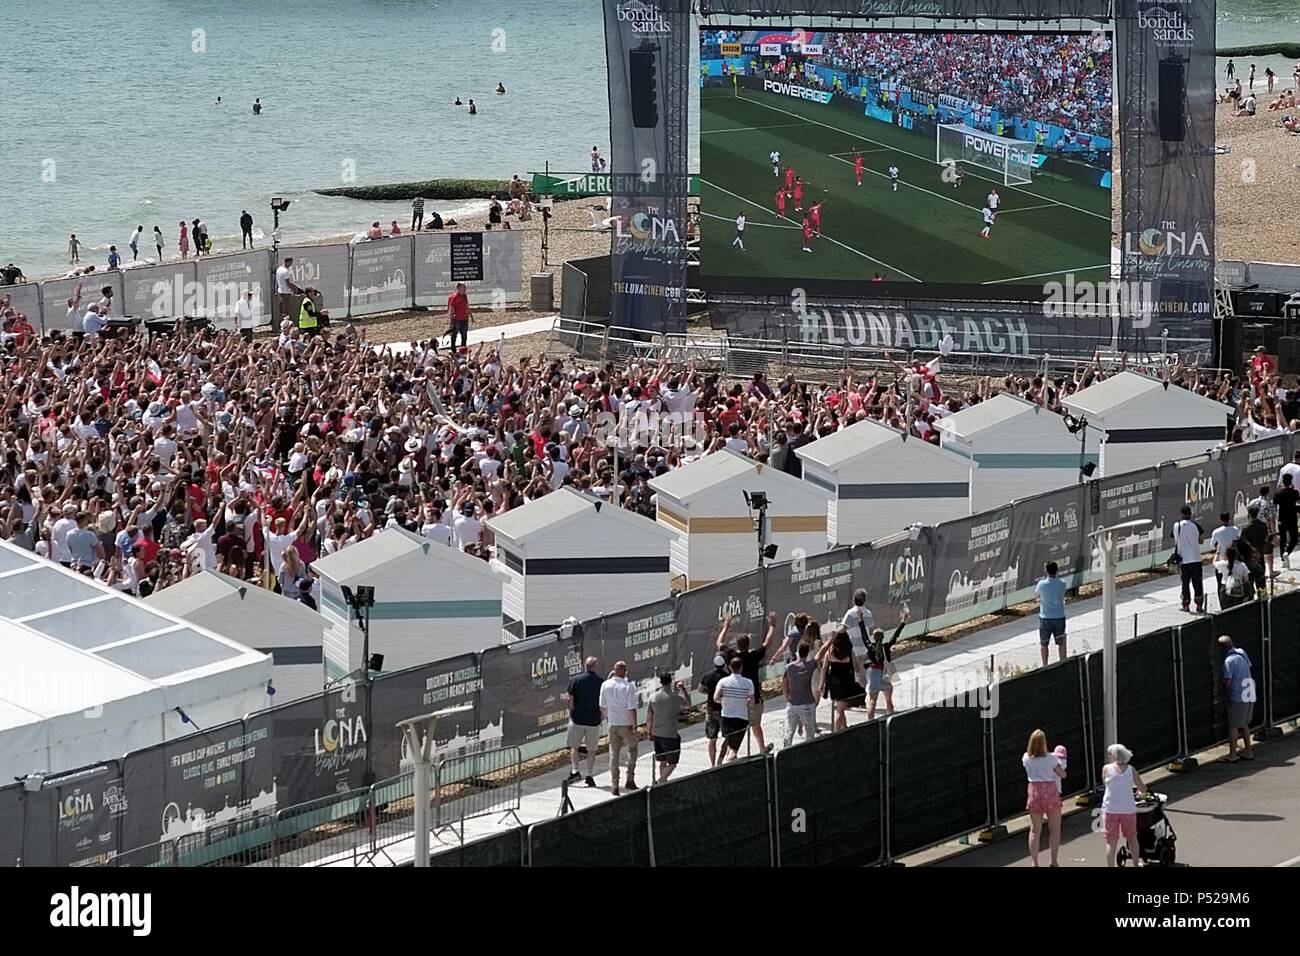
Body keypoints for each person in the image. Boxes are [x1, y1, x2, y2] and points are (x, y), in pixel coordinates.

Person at [717, 610, 776, 753]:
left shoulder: (731, 655)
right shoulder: (754, 656)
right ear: (748, 645)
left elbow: (719, 643)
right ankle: (761, 748)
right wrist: (773, 625)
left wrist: (725, 627)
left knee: (734, 729)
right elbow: (767, 643)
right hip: (753, 697)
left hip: (736, 699)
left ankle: (729, 751)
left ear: (736, 645)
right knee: (756, 725)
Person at [1022, 728, 1065, 867]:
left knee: (1035, 830)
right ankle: (1053, 861)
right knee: (1054, 829)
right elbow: (1062, 774)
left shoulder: (1026, 758)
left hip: (1034, 792)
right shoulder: (1051, 758)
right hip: (1050, 792)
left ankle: (1034, 862)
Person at [1100, 743, 1146, 867]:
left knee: (1111, 841)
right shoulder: (1131, 770)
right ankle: (1136, 864)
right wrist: (1139, 791)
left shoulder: (1106, 769)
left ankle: (1111, 865)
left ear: (1113, 755)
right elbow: (1142, 787)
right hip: (1128, 809)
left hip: (1110, 808)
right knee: (1132, 838)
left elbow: (1105, 783)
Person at [564, 656, 603, 787]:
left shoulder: (575, 680)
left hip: (577, 720)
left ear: (585, 666)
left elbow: (570, 699)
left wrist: (571, 714)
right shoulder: (600, 682)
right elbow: (603, 703)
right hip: (594, 721)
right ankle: (590, 775)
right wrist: (601, 717)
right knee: (591, 749)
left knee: (574, 746)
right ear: (595, 666)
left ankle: (575, 771)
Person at [864, 606, 908, 719]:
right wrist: (903, 622)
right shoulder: (886, 647)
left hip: (874, 675)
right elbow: (895, 636)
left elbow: (864, 636)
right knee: (888, 701)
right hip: (884, 675)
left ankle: (870, 723)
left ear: (873, 638)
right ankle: (890, 719)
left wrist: (860, 621)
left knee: (872, 702)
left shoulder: (870, 647)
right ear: (883, 638)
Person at [817, 627, 864, 732]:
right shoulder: (849, 652)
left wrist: (821, 684)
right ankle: (836, 731)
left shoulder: (830, 652)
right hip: (846, 683)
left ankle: (844, 727)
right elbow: (857, 669)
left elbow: (824, 669)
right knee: (840, 710)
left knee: (840, 707)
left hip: (833, 683)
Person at [647, 672, 689, 782]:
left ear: (660, 682)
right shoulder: (675, 697)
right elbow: (688, 704)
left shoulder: (653, 698)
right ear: (671, 682)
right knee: (673, 763)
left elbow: (649, 717)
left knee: (662, 761)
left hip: (656, 733)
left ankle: (663, 782)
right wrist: (683, 689)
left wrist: (649, 732)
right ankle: (661, 780)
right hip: (670, 734)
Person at [713, 655, 754, 764]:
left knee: (729, 740)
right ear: (741, 667)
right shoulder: (748, 683)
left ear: (730, 667)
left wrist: (726, 701)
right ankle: (729, 764)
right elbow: (753, 702)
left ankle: (721, 760)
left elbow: (716, 698)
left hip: (726, 718)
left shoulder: (723, 682)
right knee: (733, 750)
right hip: (741, 718)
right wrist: (743, 701)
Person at [1220, 635, 1255, 762]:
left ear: (1221, 648)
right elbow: (1248, 667)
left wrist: (1222, 684)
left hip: (1238, 695)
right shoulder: (1242, 652)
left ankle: (1233, 755)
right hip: (1249, 692)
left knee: (1233, 725)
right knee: (1244, 724)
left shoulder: (1228, 661)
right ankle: (1248, 751)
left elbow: (1228, 682)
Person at [781, 639, 819, 747]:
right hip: (807, 704)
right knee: (810, 733)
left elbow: (784, 683)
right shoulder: (810, 665)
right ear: (807, 653)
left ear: (797, 651)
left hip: (793, 703)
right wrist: (830, 641)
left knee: (789, 730)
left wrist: (787, 697)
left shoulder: (789, 668)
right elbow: (821, 654)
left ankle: (785, 751)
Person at [1171, 504, 1205, 613]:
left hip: (1183, 560)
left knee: (1185, 583)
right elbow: (1201, 540)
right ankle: (1199, 605)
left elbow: (1175, 540)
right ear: (1190, 514)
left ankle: (1186, 605)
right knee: (1197, 583)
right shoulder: (1195, 525)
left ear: (1181, 514)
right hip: (1196, 559)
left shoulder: (1177, 526)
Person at [698, 652, 729, 766]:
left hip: (710, 709)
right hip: (723, 709)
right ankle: (720, 759)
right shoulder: (726, 677)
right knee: (728, 736)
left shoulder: (707, 676)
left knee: (712, 738)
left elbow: (700, 689)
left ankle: (712, 763)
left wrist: (710, 692)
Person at [1036, 560, 1068, 664]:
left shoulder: (1041, 584)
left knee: (1044, 644)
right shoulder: (1062, 583)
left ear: (1046, 571)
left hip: (1045, 618)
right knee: (1061, 643)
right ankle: (1063, 662)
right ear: (1057, 570)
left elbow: (1037, 595)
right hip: (1059, 616)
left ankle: (1045, 665)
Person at [1250, 485, 1277, 579]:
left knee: (1256, 551)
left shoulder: (1253, 502)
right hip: (1265, 530)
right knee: (1268, 551)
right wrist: (1274, 534)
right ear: (1268, 492)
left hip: (1253, 529)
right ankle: (1271, 571)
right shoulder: (1269, 504)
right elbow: (1272, 519)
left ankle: (1258, 572)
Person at [1274, 473, 1299, 569]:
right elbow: (1297, 499)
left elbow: (1275, 501)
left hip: (1282, 518)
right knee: (1294, 538)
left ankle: (1283, 559)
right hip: (1292, 518)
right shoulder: (1294, 492)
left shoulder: (1279, 493)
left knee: (1282, 539)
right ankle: (1287, 552)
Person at [842, 588, 874, 654]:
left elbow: (843, 630)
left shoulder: (850, 613)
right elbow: (870, 630)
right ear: (864, 600)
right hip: (865, 649)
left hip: (853, 650)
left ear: (854, 600)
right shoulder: (868, 613)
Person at [275, 256, 302, 325]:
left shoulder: (279, 269)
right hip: (285, 293)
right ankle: (284, 326)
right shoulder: (285, 271)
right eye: (290, 263)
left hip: (281, 291)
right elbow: (288, 283)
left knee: (281, 310)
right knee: (285, 311)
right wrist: (295, 288)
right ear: (287, 262)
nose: (291, 265)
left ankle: (281, 325)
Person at [446, 281, 470, 352]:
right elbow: (451, 309)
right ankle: (453, 350)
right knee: (454, 335)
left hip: (464, 319)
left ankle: (463, 350)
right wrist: (451, 321)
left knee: (464, 335)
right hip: (456, 319)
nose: (465, 288)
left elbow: (466, 306)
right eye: (464, 287)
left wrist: (469, 315)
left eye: (465, 287)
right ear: (459, 288)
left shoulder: (464, 296)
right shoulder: (454, 297)